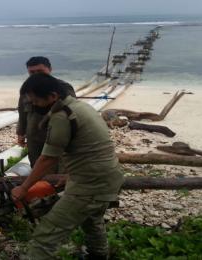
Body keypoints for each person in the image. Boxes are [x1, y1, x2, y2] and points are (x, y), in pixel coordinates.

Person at [11, 73, 124, 259]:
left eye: (36, 101)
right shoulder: (81, 107)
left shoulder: (62, 116)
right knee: (91, 220)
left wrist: (24, 187)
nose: (34, 105)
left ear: (53, 96)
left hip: (90, 184)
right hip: (107, 176)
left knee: (46, 233)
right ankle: (98, 255)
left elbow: (48, 159)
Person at [16, 56, 76, 169]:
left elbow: (71, 112)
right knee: (35, 164)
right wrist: (21, 132)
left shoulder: (62, 88)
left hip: (55, 135)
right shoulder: (27, 89)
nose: (36, 75)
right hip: (33, 136)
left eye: (40, 71)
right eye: (32, 72)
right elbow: (22, 112)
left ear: (50, 69)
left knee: (58, 166)